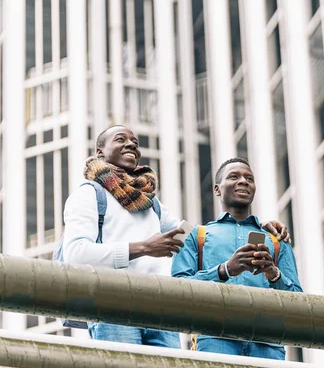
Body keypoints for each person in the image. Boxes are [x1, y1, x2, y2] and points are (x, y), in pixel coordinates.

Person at [62, 126, 289, 348]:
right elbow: (76, 255)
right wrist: (143, 247)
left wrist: (257, 228)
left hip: (160, 310)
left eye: (135, 142)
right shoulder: (89, 194)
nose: (131, 144)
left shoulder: (152, 205)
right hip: (113, 305)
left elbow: (198, 238)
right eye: (120, 140)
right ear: (100, 152)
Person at [172, 157, 302, 360]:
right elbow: (178, 289)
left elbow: (298, 301)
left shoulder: (277, 240)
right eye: (234, 176)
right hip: (214, 340)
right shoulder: (194, 234)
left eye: (249, 178)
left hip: (267, 345)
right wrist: (225, 270)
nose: (244, 181)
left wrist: (273, 273)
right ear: (217, 189)